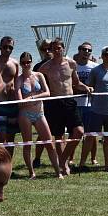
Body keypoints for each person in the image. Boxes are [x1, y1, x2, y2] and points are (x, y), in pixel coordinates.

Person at [39, 38, 91, 174]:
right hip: (55, 102)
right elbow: (37, 82)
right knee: (59, 136)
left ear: (63, 48)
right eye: (54, 48)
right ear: (51, 50)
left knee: (79, 131)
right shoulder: (45, 67)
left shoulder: (72, 64)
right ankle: (63, 166)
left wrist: (86, 87)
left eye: (59, 48)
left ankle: (62, 160)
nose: (57, 51)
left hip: (70, 101)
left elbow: (76, 83)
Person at [15, 52, 59, 179]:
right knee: (27, 144)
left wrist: (33, 97)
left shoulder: (39, 75)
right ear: (21, 64)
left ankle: (58, 172)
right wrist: (29, 99)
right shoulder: (19, 79)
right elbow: (20, 102)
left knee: (49, 143)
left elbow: (47, 93)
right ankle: (31, 172)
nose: (26, 64)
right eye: (23, 62)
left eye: (28, 62)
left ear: (32, 62)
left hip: (39, 113)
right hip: (25, 115)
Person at [0, 36, 21, 149]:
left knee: (11, 137)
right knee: (1, 136)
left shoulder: (15, 63)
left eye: (10, 47)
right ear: (0, 47)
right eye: (5, 47)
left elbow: (17, 81)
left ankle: (8, 163)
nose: (7, 50)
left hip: (12, 104)